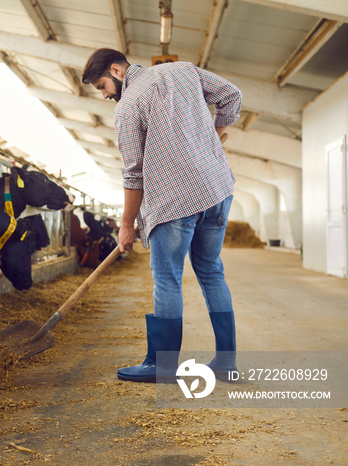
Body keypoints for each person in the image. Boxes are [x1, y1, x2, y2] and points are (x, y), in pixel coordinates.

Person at [81, 48, 242, 383]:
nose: (104, 94)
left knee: (167, 279)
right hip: (217, 189)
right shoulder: (184, 70)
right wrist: (213, 134)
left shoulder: (127, 107)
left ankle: (163, 365)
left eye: (101, 86)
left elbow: (134, 175)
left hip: (174, 201)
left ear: (116, 70)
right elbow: (231, 95)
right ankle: (227, 362)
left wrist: (126, 226)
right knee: (212, 272)